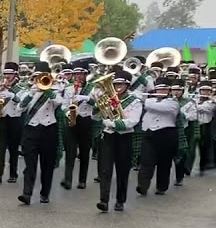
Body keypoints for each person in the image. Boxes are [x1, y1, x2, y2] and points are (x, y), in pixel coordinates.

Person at [17, 62, 66, 205]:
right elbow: (20, 108)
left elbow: (59, 102)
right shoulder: (27, 90)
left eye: (43, 76)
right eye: (37, 76)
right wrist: (32, 92)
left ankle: (45, 193)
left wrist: (47, 89)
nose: (40, 79)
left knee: (47, 165)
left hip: (48, 130)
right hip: (31, 130)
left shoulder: (55, 89)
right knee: (29, 165)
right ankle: (27, 193)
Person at [94, 69, 142, 212]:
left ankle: (120, 200)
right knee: (105, 170)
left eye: (121, 84)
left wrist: (113, 124)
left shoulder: (134, 101)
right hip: (108, 136)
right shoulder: (106, 98)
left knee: (122, 171)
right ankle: (104, 200)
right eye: (115, 84)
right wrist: (98, 109)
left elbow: (133, 121)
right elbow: (95, 117)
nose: (117, 87)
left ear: (128, 86)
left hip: (124, 138)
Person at [137, 79, 181, 196]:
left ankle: (161, 187)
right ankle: (143, 186)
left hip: (167, 134)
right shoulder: (150, 100)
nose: (162, 91)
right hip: (150, 134)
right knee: (146, 161)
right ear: (156, 89)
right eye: (160, 89)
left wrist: (144, 100)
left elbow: (161, 108)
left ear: (169, 91)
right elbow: (147, 106)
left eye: (165, 89)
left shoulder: (173, 102)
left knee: (164, 163)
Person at [60, 60, 95, 190]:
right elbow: (63, 104)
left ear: (86, 74)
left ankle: (82, 180)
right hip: (72, 119)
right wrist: (67, 112)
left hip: (86, 120)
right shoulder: (68, 88)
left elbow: (98, 104)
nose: (78, 76)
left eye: (81, 74)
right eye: (76, 74)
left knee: (85, 151)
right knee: (70, 151)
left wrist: (86, 99)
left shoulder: (93, 88)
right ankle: (67, 179)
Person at [0, 63, 23, 184]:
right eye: (5, 74)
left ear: (15, 75)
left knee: (13, 148)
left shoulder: (21, 88)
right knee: (0, 148)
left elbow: (22, 104)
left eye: (10, 74)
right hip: (2, 119)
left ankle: (13, 174)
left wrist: (12, 95)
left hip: (15, 119)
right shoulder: (0, 88)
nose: (7, 76)